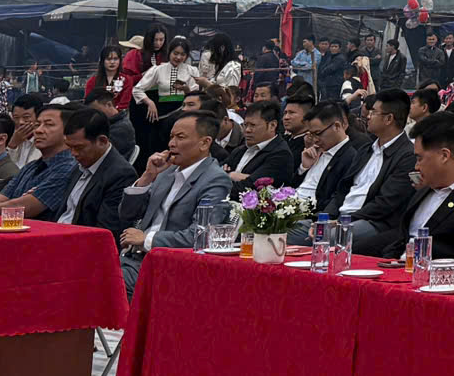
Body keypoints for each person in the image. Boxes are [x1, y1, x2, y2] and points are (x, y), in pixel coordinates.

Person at [362, 113, 454, 271]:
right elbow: (401, 239)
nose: (416, 167)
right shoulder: (425, 189)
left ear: (444, 155)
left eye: (419, 158)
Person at [117, 112, 234, 289]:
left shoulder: (215, 180)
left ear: (204, 143)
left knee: (100, 282)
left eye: (180, 137)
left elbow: (200, 236)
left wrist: (147, 239)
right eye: (171, 137)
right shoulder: (166, 172)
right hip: (132, 258)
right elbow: (127, 214)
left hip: (168, 266)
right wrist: (147, 177)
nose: (171, 143)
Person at [336, 93, 422, 243]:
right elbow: (342, 188)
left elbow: (385, 203)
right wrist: (326, 216)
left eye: (374, 112)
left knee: (329, 236)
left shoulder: (407, 155)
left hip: (374, 222)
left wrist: (343, 220)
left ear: (389, 119)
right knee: (306, 228)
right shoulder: (366, 149)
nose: (368, 116)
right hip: (343, 215)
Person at [51, 106, 134, 234]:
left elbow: (104, 232)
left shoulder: (120, 175)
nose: (73, 153)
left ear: (102, 141)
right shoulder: (79, 166)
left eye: (79, 148)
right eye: (69, 147)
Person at [0, 106, 79, 218]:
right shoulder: (30, 167)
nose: (38, 130)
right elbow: (1, 199)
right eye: (37, 125)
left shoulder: (69, 168)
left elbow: (24, 208)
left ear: (68, 132)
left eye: (49, 124)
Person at [228, 100, 298, 190]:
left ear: (272, 125)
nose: (247, 130)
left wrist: (229, 176)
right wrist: (230, 176)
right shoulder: (240, 150)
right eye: (245, 125)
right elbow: (218, 172)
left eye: (253, 125)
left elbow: (251, 187)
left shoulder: (280, 154)